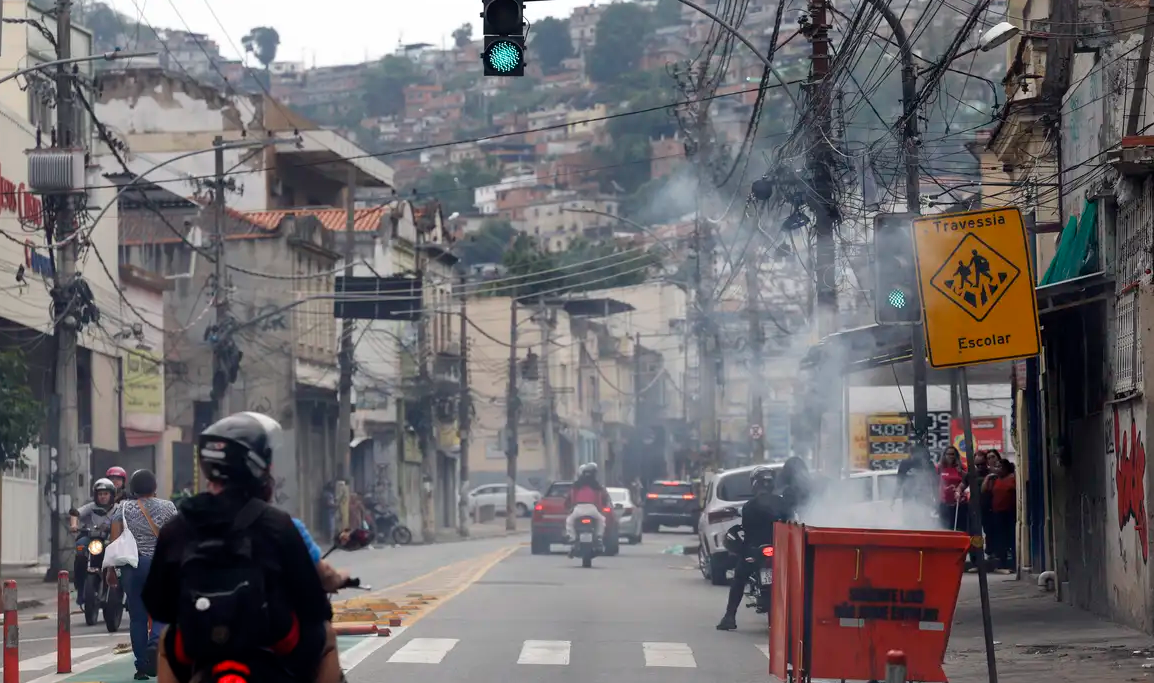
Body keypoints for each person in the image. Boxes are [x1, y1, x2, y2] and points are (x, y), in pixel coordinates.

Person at [143, 412, 339, 683]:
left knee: (166, 642)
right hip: (274, 643)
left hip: (200, 646)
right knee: (326, 637)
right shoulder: (277, 523)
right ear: (257, 466)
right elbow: (314, 604)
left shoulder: (178, 526)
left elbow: (158, 605)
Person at [111, 469, 177, 679]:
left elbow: (115, 541)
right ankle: (156, 641)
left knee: (137, 618)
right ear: (154, 487)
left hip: (131, 566)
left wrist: (112, 571)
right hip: (159, 565)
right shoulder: (168, 507)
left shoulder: (122, 508)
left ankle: (141, 666)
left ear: (132, 488)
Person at [716, 466, 792, 631]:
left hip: (756, 551)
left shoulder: (750, 506)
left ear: (755, 484)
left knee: (739, 578)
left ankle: (729, 616)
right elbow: (790, 523)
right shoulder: (782, 503)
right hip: (780, 550)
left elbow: (747, 530)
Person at [70, 478, 117, 606]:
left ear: (112, 495)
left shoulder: (118, 508)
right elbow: (75, 513)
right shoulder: (91, 507)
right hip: (91, 538)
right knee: (80, 549)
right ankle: (80, 588)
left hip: (109, 540)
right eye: (100, 494)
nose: (102, 497)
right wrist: (74, 525)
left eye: (105, 494)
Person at [564, 463, 612, 552]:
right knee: (601, 520)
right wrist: (602, 507)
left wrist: (568, 507)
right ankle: (598, 537)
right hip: (592, 508)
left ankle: (573, 538)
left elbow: (569, 498)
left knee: (569, 521)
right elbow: (604, 498)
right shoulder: (597, 486)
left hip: (578, 508)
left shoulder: (576, 485)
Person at [985, 458, 1016, 572]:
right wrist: (988, 478)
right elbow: (985, 490)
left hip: (1009, 512)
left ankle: (1013, 562)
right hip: (997, 512)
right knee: (1000, 538)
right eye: (996, 467)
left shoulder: (1012, 478)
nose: (997, 469)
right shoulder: (995, 479)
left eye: (1000, 467)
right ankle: (1002, 563)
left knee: (1011, 538)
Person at [937, 447, 967, 531]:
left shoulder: (962, 467)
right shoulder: (940, 467)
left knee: (960, 528)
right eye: (948, 454)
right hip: (944, 502)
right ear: (944, 455)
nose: (951, 456)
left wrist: (960, 471)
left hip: (959, 502)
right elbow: (934, 481)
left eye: (953, 454)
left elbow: (968, 479)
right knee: (945, 528)